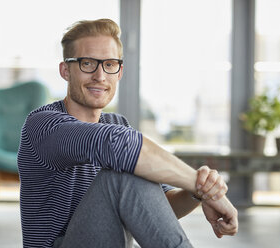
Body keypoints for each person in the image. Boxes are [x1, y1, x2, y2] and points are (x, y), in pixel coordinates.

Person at [17, 18, 238, 248]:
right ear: (65, 71)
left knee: (131, 165)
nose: (100, 76)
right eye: (87, 63)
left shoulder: (116, 124)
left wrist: (200, 192)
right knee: (122, 172)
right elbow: (118, 145)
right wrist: (200, 184)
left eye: (109, 64)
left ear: (119, 72)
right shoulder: (42, 125)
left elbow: (157, 207)